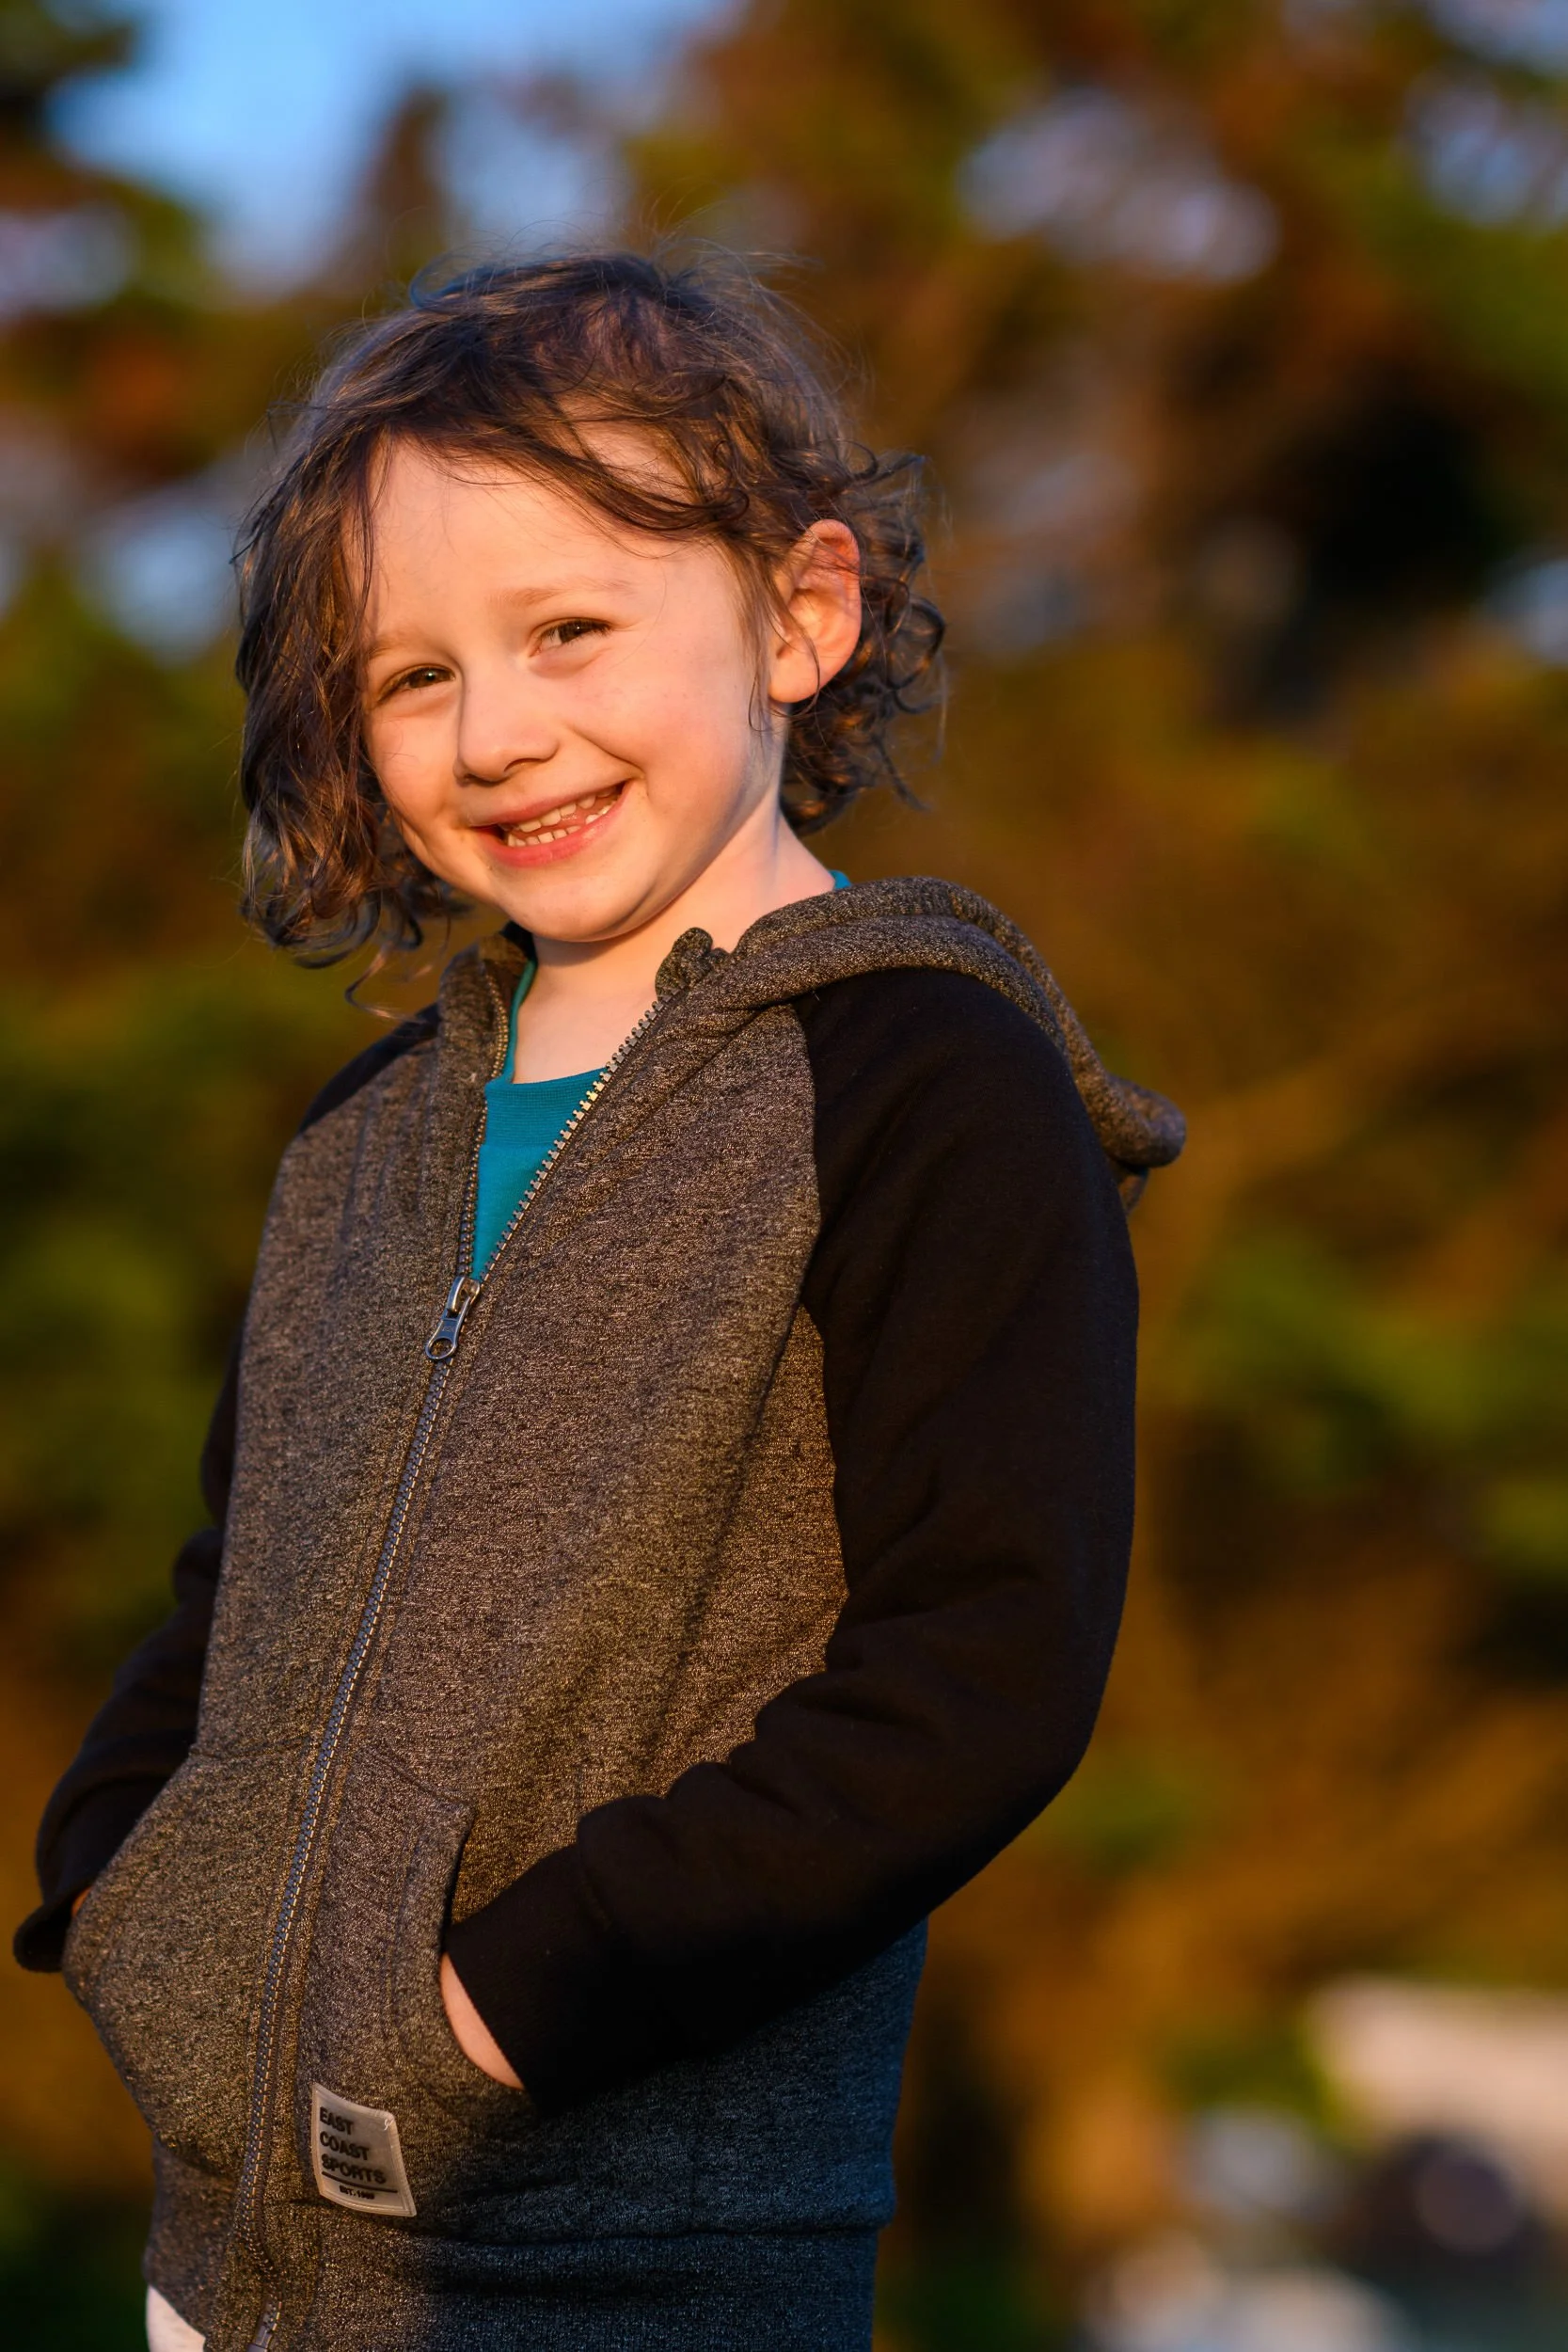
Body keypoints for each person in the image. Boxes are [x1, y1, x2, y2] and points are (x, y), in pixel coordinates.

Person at [14, 249, 1183, 2352]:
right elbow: (236, 1592)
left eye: (568, 629)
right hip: (226, 2276)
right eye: (407, 674)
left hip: (630, 2277)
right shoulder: (360, 1141)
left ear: (799, 613)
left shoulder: (923, 1082)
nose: (497, 731)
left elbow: (981, 1665)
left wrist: (505, 2004)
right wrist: (119, 1892)